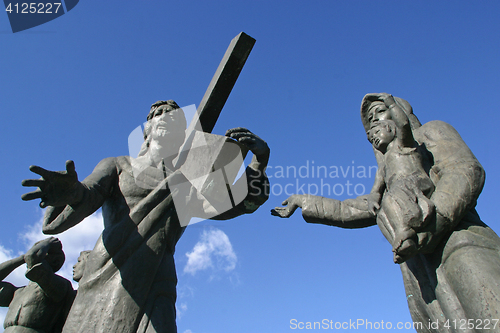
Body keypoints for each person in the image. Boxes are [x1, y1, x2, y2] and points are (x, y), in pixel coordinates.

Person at [21, 100, 270, 333]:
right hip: (109, 268)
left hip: (157, 275)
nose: (165, 117)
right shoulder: (118, 165)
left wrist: (259, 162)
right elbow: (88, 196)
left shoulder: (187, 182)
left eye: (173, 116)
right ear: (147, 130)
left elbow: (234, 207)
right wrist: (71, 193)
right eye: (157, 114)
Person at [272, 93, 500, 332]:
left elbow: (464, 170)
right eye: (370, 121)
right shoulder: (387, 176)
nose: (374, 122)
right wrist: (303, 201)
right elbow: (357, 208)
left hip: (458, 242)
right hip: (421, 274)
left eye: (379, 112)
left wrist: (434, 223)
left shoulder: (430, 133)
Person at [365, 94, 435, 263]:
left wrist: (390, 102)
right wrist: (374, 195)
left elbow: (403, 123)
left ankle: (406, 232)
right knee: (382, 211)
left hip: (416, 182)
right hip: (398, 190)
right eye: (370, 136)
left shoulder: (404, 144)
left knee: (394, 195)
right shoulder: (385, 161)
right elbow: (380, 177)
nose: (373, 137)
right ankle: (401, 239)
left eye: (377, 131)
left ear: (391, 129)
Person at [0, 237, 75, 333]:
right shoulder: (18, 292)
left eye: (42, 252)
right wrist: (21, 259)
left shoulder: (61, 285)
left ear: (55, 261)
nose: (31, 253)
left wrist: (47, 243)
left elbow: (33, 258)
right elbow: (31, 257)